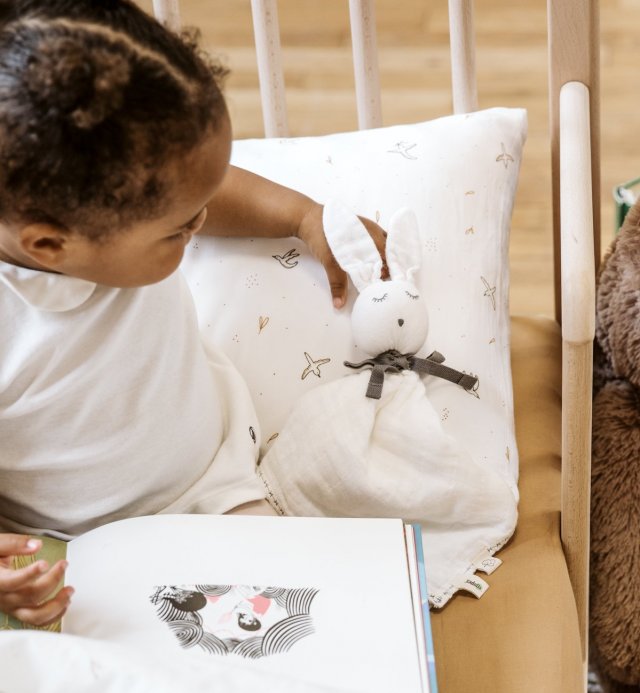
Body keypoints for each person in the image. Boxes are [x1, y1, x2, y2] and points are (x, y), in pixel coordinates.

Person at [0, 1, 385, 628]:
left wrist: (300, 216)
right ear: (50, 246)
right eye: (180, 230)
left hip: (212, 491)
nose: (201, 222)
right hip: (55, 550)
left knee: (308, 627)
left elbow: (206, 187)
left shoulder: (124, 197)